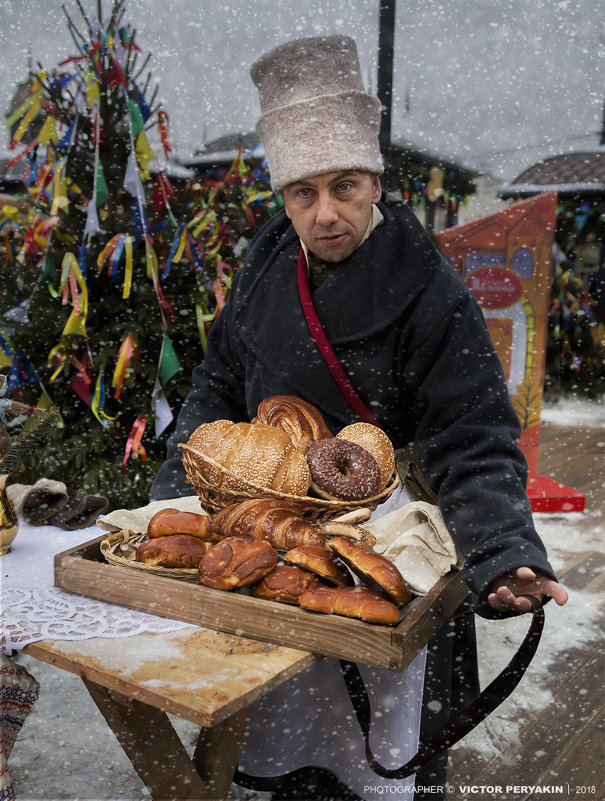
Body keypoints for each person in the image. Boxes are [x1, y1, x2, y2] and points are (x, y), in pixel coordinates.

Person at [151, 35, 568, 801]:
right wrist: (172, 495)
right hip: (274, 545)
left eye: (344, 185)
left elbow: (471, 435)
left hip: (388, 550)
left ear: (375, 181)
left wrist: (503, 548)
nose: (325, 213)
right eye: (302, 193)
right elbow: (217, 383)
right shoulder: (266, 267)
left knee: (382, 755)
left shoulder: (428, 290)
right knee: (290, 752)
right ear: (281, 198)